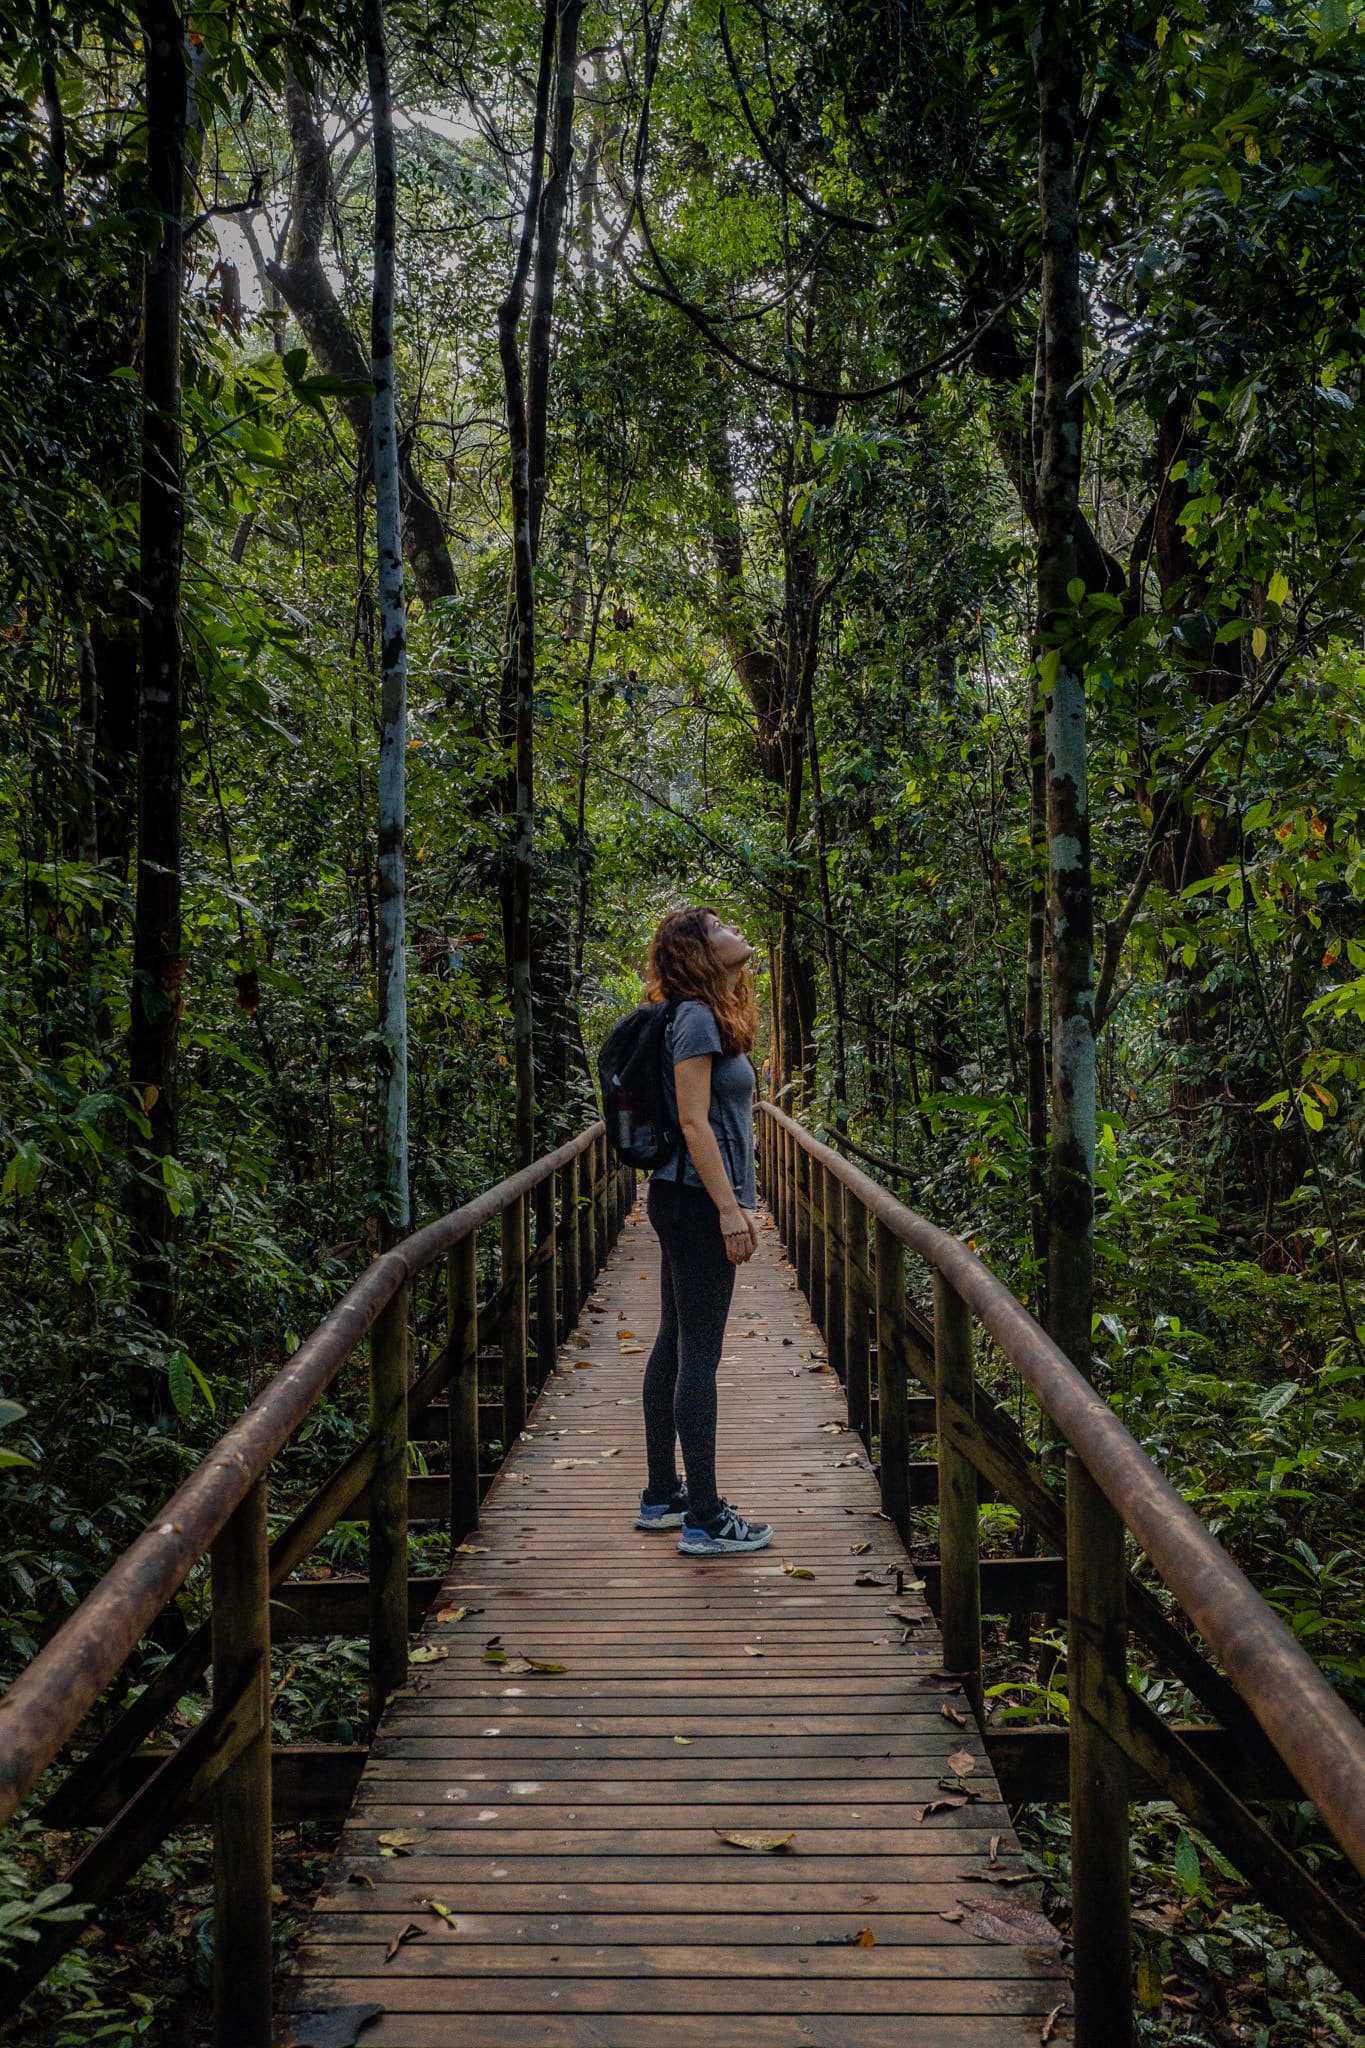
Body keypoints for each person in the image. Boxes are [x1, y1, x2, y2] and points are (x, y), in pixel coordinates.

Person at [633, 905, 774, 1555]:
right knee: (699, 1354)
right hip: (693, 1202)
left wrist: (737, 1198)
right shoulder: (692, 1018)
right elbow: (694, 1123)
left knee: (676, 1341)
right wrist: (729, 1209)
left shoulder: (699, 1014)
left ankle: (665, 1496)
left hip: (682, 1196)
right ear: (697, 949)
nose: (735, 931)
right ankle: (706, 1519)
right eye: (720, 927)